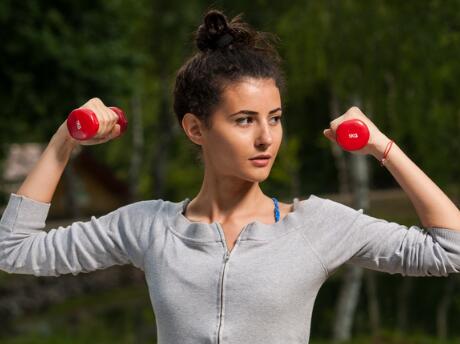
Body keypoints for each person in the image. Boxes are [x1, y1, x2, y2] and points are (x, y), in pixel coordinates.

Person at [1, 9, 460, 344]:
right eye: (244, 120)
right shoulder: (148, 228)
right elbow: (14, 251)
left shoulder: (317, 226)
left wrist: (383, 147)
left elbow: (451, 252)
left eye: (274, 118)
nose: (266, 138)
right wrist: (66, 140)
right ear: (196, 128)